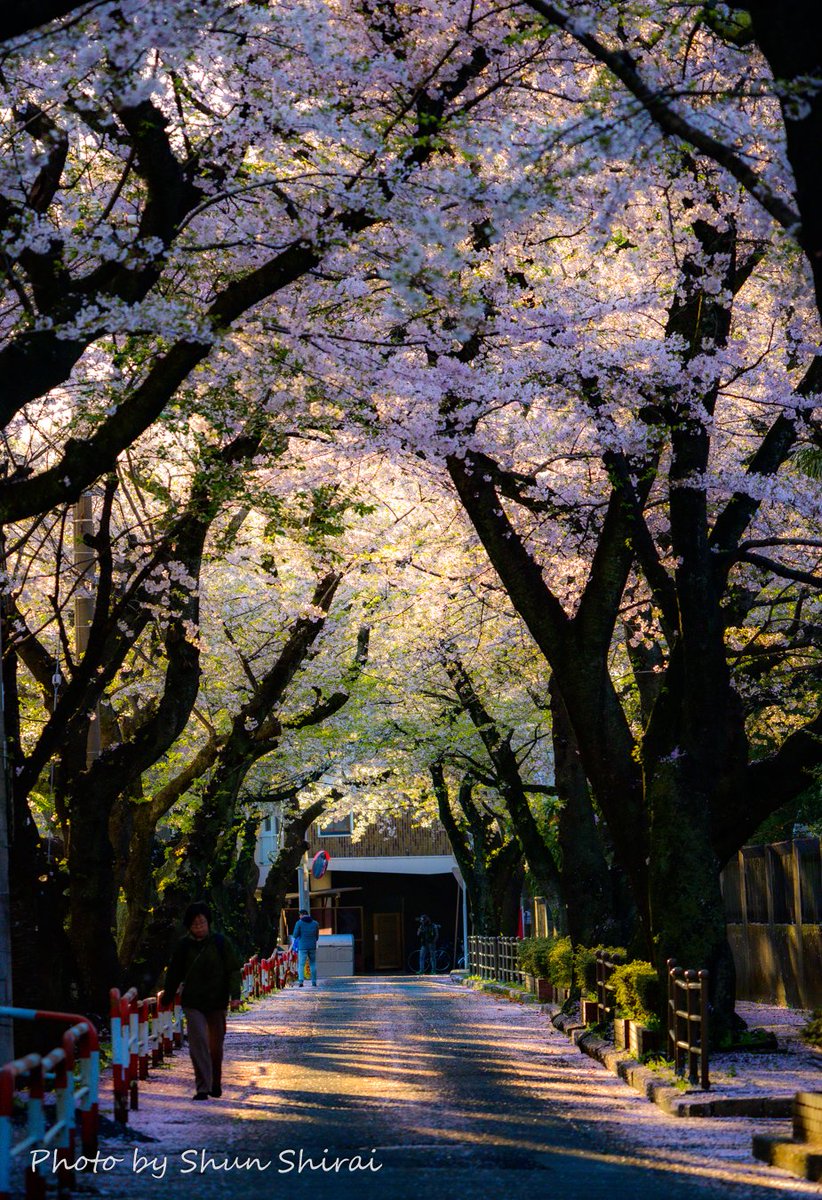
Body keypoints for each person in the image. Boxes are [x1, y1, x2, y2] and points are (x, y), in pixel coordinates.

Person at [163, 901, 242, 1101]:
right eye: (195, 924)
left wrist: (236, 996)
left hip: (217, 1001)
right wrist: (167, 996)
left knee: (215, 1046)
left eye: (202, 923)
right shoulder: (183, 947)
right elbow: (174, 973)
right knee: (198, 1043)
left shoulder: (220, 943)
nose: (199, 927)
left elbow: (233, 970)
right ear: (189, 926)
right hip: (193, 1002)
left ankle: (215, 1082)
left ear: (209, 923)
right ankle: (202, 1087)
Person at [291, 908, 320, 987]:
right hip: (312, 946)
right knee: (313, 963)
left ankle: (301, 981)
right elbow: (317, 936)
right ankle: (314, 982)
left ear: (302, 915)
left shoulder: (299, 923)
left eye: (300, 915)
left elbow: (295, 935)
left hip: (302, 947)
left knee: (301, 964)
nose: (299, 917)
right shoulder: (315, 923)